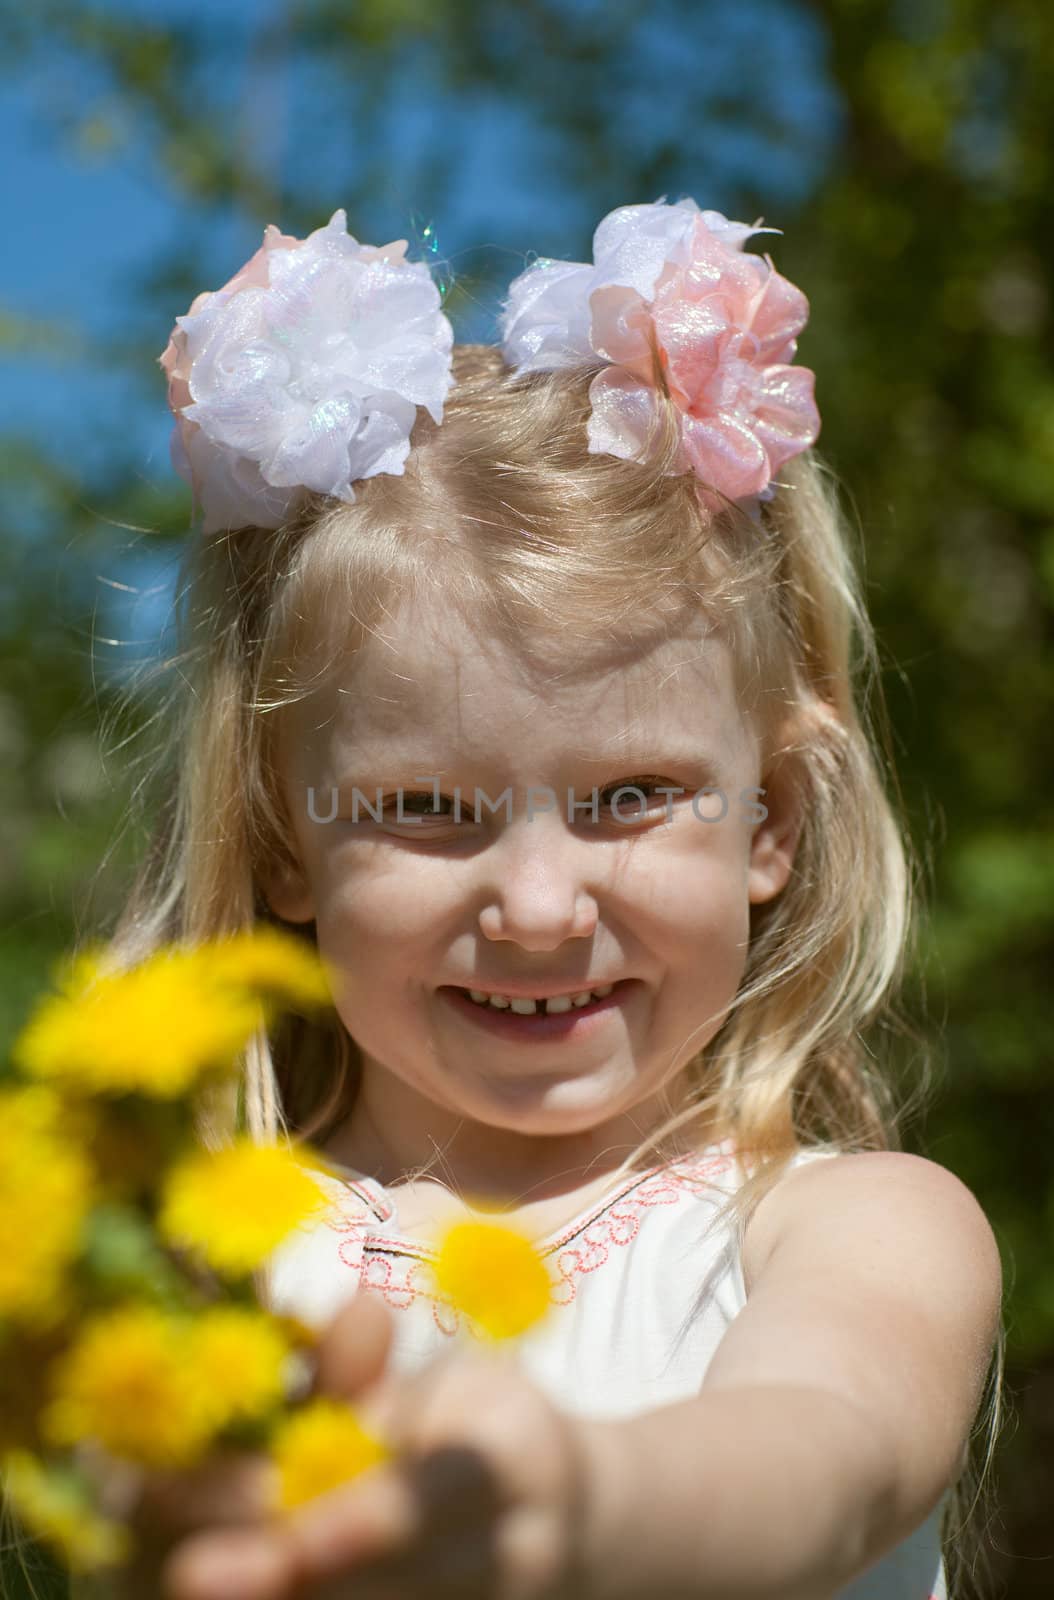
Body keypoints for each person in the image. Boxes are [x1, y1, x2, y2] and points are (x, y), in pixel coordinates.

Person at [108, 198, 1003, 1600]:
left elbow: (828, 1452)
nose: (535, 905)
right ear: (282, 837)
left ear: (766, 821)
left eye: (631, 796)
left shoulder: (851, 1228)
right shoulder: (194, 1252)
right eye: (423, 809)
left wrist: (583, 1506)